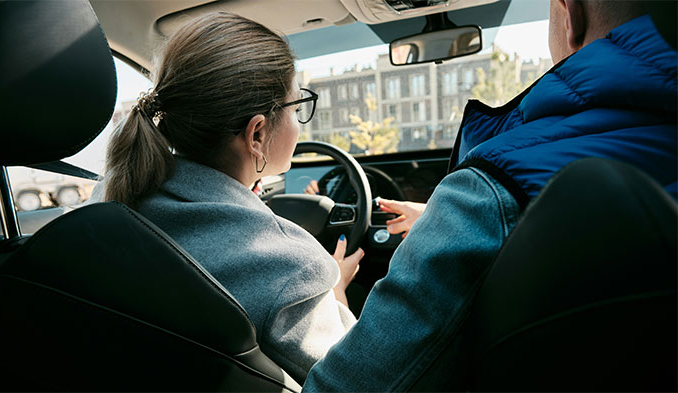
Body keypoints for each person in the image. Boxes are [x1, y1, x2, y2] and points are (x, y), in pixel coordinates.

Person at [303, 0, 677, 391]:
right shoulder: (490, 201)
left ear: (570, 14)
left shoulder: (487, 194)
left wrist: (337, 301)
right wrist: (440, 216)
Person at [102, 12, 364, 383]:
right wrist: (335, 291)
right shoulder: (291, 267)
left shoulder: (110, 215)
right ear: (257, 134)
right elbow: (358, 379)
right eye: (297, 105)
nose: (300, 119)